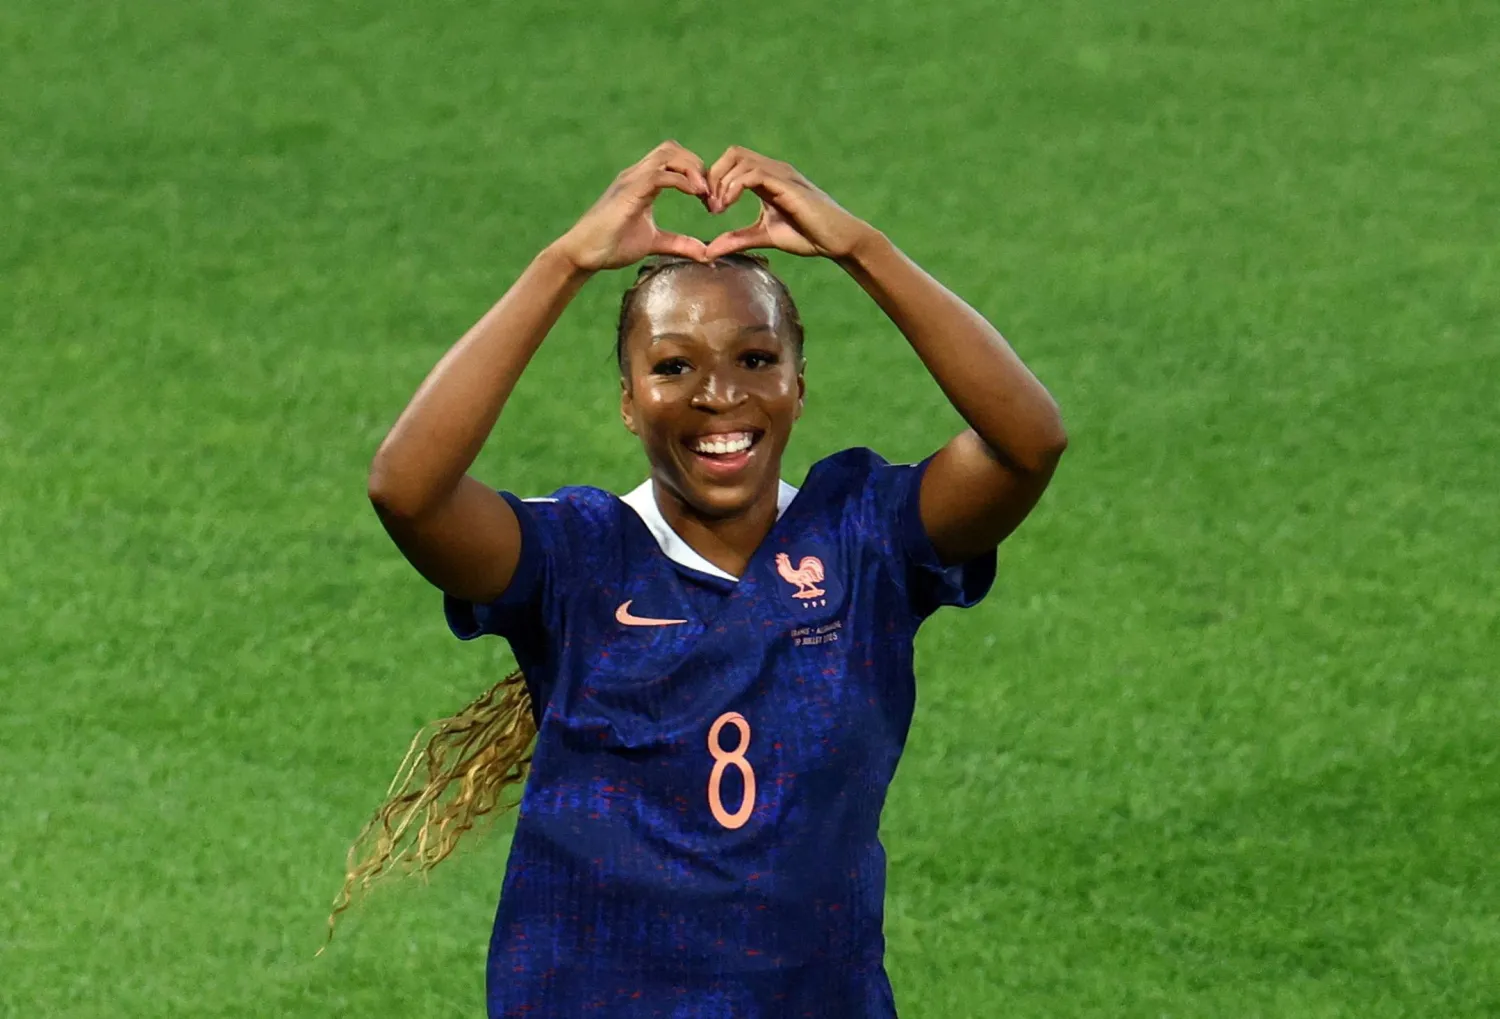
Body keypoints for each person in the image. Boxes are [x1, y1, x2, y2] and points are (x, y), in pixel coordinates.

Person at [332, 141, 1068, 1017]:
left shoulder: (864, 534)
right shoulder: (577, 556)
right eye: (673, 365)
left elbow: (1030, 443)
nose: (719, 394)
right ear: (628, 399)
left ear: (799, 387)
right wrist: (564, 262)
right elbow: (406, 491)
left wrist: (860, 248)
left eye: (757, 359)